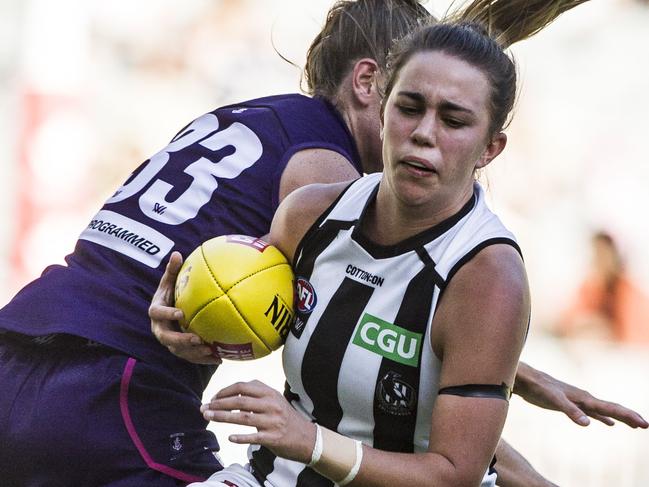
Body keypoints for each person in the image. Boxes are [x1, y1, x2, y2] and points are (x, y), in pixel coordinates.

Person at [0, 1, 644, 486]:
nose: (422, 134)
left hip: (25, 336)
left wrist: (496, 374)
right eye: (407, 105)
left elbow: (394, 352)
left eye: (451, 118)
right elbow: (384, 338)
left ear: (490, 146)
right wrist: (500, 383)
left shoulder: (257, 116)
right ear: (374, 87)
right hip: (110, 382)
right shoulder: (324, 185)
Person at [557, 230, 649, 344]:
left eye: (603, 254)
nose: (598, 260)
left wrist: (607, 330)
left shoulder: (626, 290)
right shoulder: (590, 287)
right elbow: (568, 320)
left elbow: (634, 334)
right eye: (596, 254)